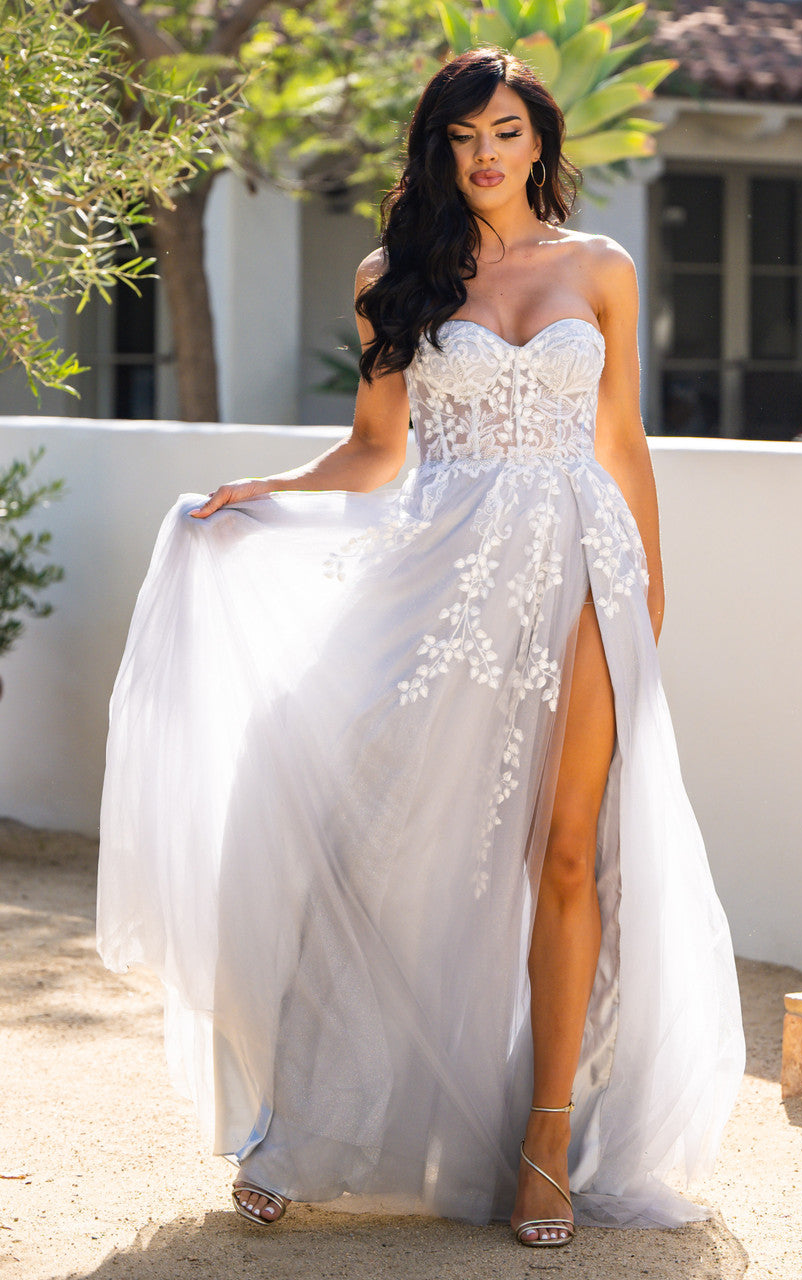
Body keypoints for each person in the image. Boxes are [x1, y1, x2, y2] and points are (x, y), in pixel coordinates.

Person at [97, 47, 744, 1249]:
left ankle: (544, 1144)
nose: (485, 153)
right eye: (462, 136)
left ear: (537, 140)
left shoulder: (598, 267)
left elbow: (624, 445)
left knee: (565, 857)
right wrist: (270, 488)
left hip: (586, 576)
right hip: (440, 575)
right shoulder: (392, 275)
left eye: (503, 129)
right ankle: (304, 1127)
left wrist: (645, 595)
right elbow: (373, 449)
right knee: (380, 843)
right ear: (438, 150)